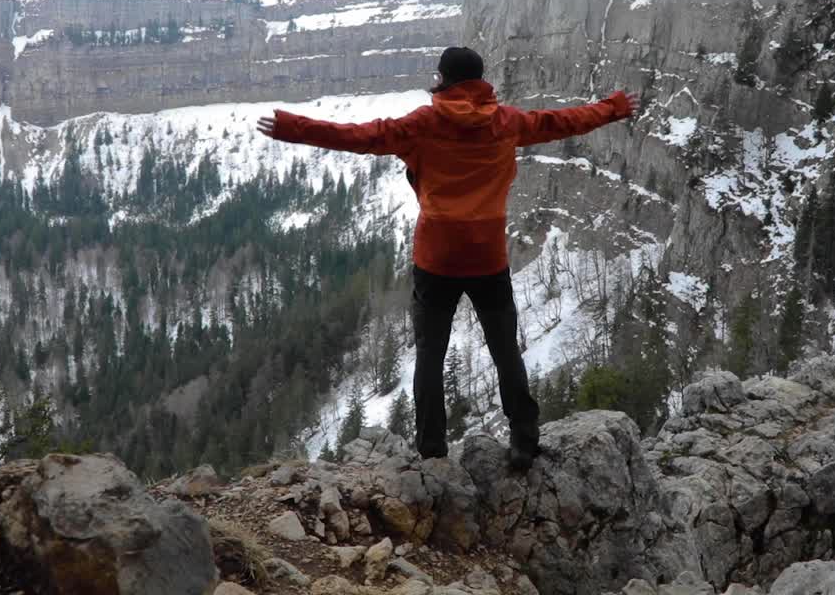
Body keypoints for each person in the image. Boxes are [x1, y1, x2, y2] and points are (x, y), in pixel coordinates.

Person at [257, 46, 637, 469]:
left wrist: (292, 127)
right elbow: (562, 121)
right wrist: (613, 108)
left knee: (430, 356)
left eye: (438, 75)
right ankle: (524, 439)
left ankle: (433, 450)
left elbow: (360, 136)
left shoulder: (425, 122)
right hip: (487, 257)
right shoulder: (506, 121)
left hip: (436, 259)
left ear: (446, 80)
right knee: (505, 350)